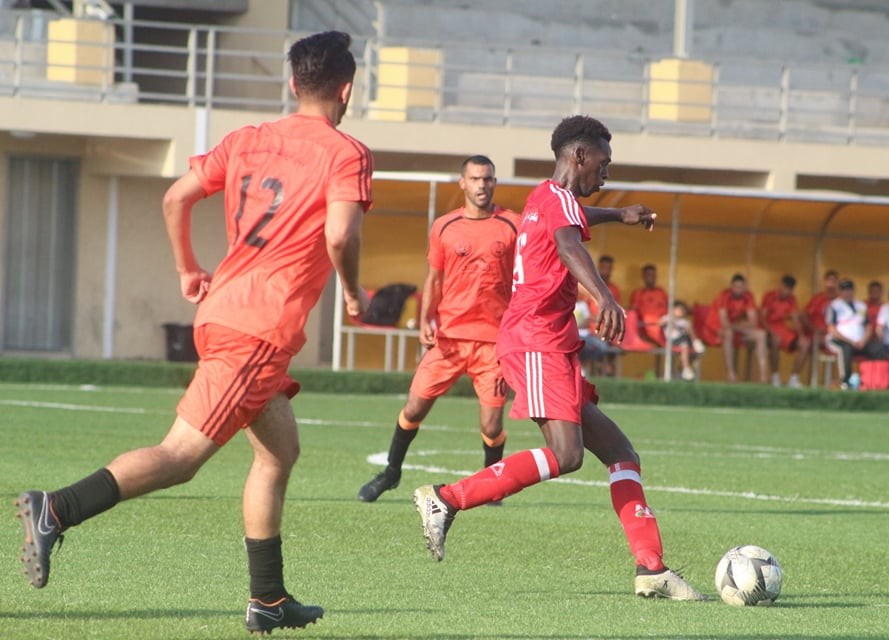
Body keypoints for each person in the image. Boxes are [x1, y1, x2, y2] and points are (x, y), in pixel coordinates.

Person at [14, 31, 371, 635]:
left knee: (279, 452)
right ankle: (57, 508)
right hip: (257, 330)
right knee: (180, 458)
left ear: (293, 83)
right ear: (347, 89)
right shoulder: (347, 153)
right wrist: (355, 292)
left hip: (226, 314)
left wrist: (187, 268)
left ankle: (268, 599)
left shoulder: (246, 139)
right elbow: (340, 235)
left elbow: (177, 197)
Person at [412, 115, 706, 601]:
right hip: (536, 340)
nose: (606, 173)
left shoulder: (544, 198)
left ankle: (651, 569)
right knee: (568, 455)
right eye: (603, 163)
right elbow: (569, 243)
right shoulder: (558, 204)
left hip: (549, 343)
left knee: (622, 455)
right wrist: (604, 297)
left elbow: (573, 221)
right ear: (580, 156)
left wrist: (619, 214)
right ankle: (447, 498)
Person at [356, 155, 518, 502]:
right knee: (414, 408)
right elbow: (434, 278)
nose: (482, 185)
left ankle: (492, 488)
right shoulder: (445, 226)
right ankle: (391, 473)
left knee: (491, 426)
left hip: (493, 343)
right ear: (463, 183)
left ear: (494, 182)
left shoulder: (513, 225)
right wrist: (425, 320)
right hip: (448, 338)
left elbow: (527, 278)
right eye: (475, 179)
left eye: (487, 179)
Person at [701, 273, 769, 383]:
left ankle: (763, 375)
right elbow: (724, 322)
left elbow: (753, 322)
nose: (738, 290)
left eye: (741, 287)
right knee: (728, 333)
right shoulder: (724, 296)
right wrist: (741, 325)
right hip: (715, 328)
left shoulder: (748, 296)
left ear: (745, 287)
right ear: (731, 286)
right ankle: (731, 374)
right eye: (736, 287)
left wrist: (737, 326)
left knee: (761, 334)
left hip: (735, 327)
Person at [825, 279, 889, 389]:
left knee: (878, 349)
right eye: (844, 290)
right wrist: (850, 341)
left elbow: (868, 326)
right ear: (840, 291)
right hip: (840, 340)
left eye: (849, 290)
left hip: (860, 341)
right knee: (845, 349)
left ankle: (875, 382)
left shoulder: (861, 305)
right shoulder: (834, 306)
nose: (847, 292)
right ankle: (846, 382)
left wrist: (864, 340)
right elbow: (831, 329)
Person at [760, 275, 811, 388]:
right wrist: (771, 332)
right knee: (776, 340)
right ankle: (775, 376)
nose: (786, 291)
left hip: (783, 330)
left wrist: (801, 335)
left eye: (790, 289)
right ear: (781, 286)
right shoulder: (769, 296)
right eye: (785, 287)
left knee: (805, 343)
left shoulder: (792, 299)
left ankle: (794, 378)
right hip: (768, 329)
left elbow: (795, 318)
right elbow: (762, 318)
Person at [660, 300, 704, 381]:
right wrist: (670, 321)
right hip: (673, 340)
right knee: (685, 344)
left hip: (685, 340)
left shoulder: (685, 322)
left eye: (683, 310)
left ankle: (695, 343)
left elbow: (688, 331)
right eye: (679, 309)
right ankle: (686, 369)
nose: (682, 311)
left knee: (688, 342)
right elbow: (660, 323)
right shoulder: (667, 317)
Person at [629, 263, 669, 346]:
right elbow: (633, 311)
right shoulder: (638, 293)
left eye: (653, 275)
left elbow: (669, 308)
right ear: (643, 276)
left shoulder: (661, 292)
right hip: (644, 327)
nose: (650, 277)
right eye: (648, 275)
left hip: (663, 326)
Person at [801, 269, 839, 343]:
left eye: (834, 281)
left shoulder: (840, 301)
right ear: (825, 282)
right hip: (815, 333)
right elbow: (805, 314)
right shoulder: (818, 298)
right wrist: (813, 328)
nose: (831, 284)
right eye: (829, 280)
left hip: (832, 333)